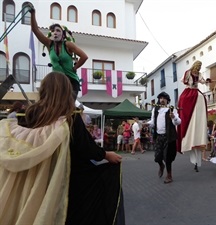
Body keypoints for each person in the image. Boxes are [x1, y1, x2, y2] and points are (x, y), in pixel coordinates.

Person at [0, 72, 124, 224]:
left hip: (35, 176)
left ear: (43, 90)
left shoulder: (29, 114)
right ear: (67, 91)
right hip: (66, 179)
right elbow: (86, 147)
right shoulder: (70, 117)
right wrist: (105, 154)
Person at [28, 3, 88, 99]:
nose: (55, 32)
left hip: (71, 81)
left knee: (66, 105)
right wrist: (33, 13)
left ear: (63, 35)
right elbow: (35, 30)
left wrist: (75, 67)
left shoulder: (68, 45)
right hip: (57, 80)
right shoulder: (49, 44)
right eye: (53, 31)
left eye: (58, 30)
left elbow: (84, 56)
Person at [177, 60, 211, 172]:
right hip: (189, 92)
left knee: (202, 98)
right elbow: (184, 81)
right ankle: (187, 120)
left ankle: (199, 123)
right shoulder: (188, 72)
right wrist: (189, 82)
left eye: (201, 66)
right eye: (199, 65)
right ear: (195, 65)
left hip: (196, 92)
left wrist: (207, 81)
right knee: (183, 100)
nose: (200, 67)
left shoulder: (199, 74)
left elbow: (202, 81)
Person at [148, 92, 181, 184]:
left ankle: (169, 175)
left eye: (164, 98)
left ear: (167, 100)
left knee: (167, 157)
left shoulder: (172, 109)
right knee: (157, 157)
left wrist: (174, 117)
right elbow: (153, 122)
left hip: (168, 137)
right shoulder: (155, 109)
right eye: (160, 98)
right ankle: (161, 166)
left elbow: (178, 122)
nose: (162, 100)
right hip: (159, 136)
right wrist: (145, 124)